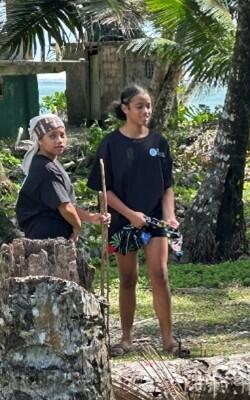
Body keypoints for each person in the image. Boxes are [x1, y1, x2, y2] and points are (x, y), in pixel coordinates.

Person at [87, 85, 188, 358]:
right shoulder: (109, 144)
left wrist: (169, 215)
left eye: (149, 106)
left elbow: (167, 186)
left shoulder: (159, 143)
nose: (146, 111)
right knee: (128, 278)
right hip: (123, 221)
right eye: (140, 106)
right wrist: (131, 215)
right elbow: (103, 190)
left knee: (160, 274)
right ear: (125, 109)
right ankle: (126, 338)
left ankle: (168, 339)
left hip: (155, 220)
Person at [16, 114, 110, 240]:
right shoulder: (46, 168)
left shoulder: (49, 163)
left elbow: (66, 204)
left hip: (50, 235)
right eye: (52, 136)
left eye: (62, 135)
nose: (59, 140)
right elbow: (65, 208)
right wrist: (77, 226)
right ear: (39, 140)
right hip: (47, 237)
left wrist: (91, 217)